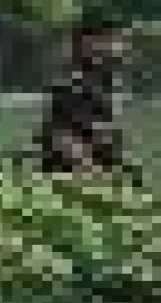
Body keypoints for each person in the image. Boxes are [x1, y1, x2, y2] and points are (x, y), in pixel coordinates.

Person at [27, 12, 137, 180]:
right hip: (70, 154)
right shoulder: (71, 80)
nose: (118, 46)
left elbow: (107, 123)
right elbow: (60, 129)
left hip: (91, 150)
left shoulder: (105, 78)